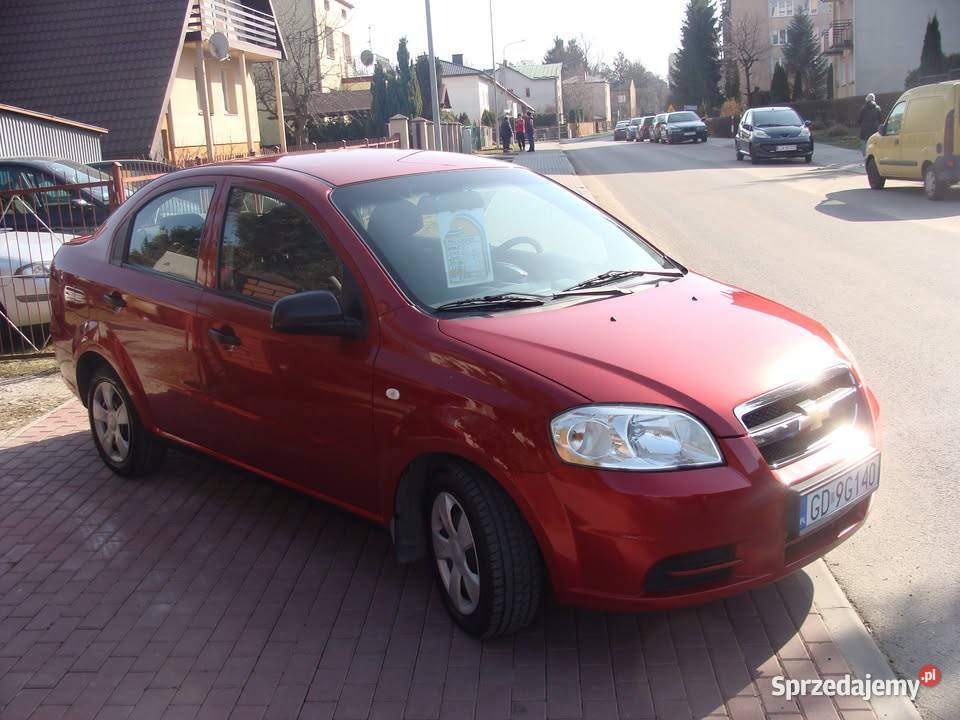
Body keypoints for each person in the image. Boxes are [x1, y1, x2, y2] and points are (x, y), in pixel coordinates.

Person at [857, 93, 883, 157]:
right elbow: (880, 120)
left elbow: (859, 120)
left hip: (865, 130)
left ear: (867, 99)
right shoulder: (877, 108)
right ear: (874, 99)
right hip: (875, 129)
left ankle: (866, 156)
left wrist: (861, 125)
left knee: (864, 143)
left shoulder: (863, 108)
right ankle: (874, 156)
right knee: (874, 143)